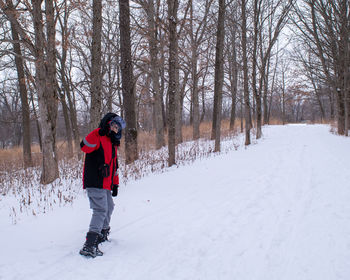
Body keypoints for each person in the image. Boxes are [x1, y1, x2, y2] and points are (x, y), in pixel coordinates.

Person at [79, 112, 126, 258]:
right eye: (113, 125)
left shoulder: (112, 143)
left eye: (118, 127)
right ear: (108, 123)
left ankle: (102, 233)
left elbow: (114, 166)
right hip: (95, 180)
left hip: (106, 183)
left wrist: (115, 184)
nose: (115, 129)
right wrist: (96, 132)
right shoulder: (99, 136)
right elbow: (84, 146)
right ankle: (89, 245)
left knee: (109, 207)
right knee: (100, 210)